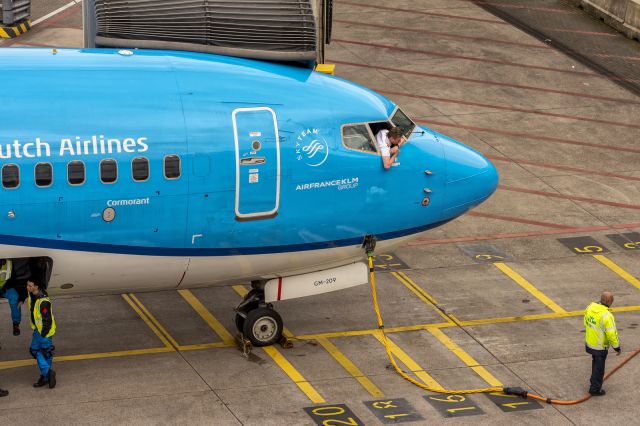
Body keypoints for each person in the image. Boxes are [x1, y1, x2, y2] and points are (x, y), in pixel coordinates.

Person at [584, 291, 620, 396]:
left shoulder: (590, 307)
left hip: (590, 343)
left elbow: (585, 321)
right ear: (609, 301)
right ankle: (594, 389)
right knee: (599, 367)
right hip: (600, 347)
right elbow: (611, 334)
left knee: (595, 363)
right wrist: (617, 347)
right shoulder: (607, 315)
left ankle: (593, 381)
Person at [27, 279, 56, 389]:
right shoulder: (33, 294)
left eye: (30, 285)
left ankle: (47, 374)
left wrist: (44, 334)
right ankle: (47, 374)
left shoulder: (43, 302)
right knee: (37, 351)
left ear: (36, 286)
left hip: (44, 333)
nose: (28, 287)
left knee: (42, 353)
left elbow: (47, 320)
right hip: (37, 330)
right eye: (27, 285)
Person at [0, 258, 31, 336]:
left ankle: (16, 323)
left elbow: (16, 281)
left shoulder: (8, 263)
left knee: (14, 297)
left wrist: (22, 297)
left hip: (4, 287)